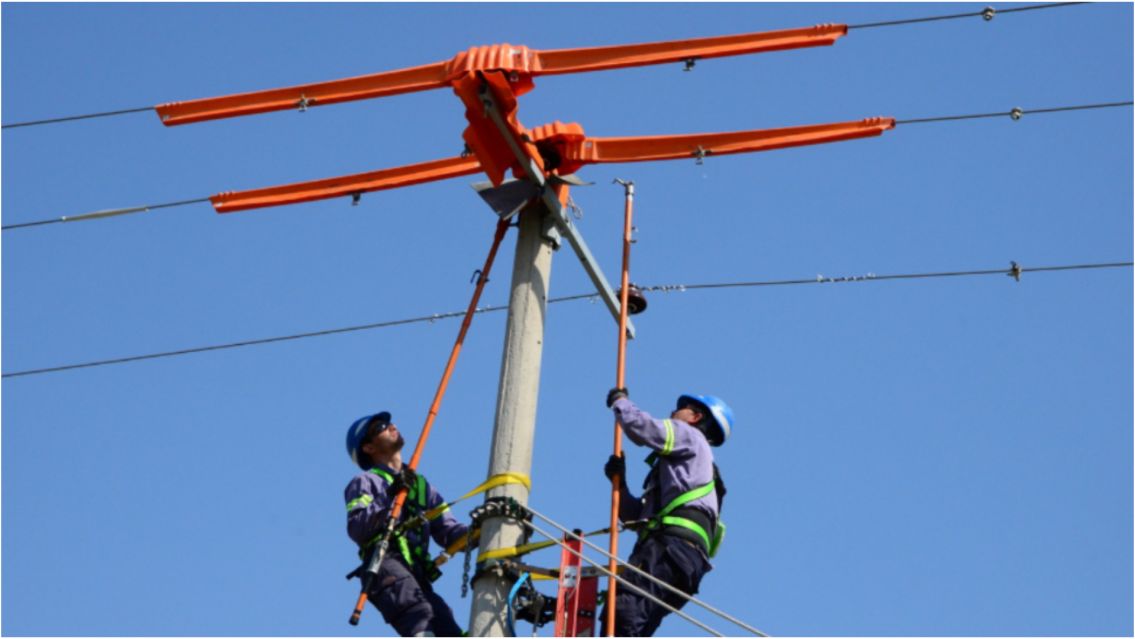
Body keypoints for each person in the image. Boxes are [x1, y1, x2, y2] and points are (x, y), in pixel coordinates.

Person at [601, 388, 734, 637]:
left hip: (668, 549)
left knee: (623, 612)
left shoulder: (690, 437)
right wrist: (620, 483)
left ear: (695, 417)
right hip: (684, 564)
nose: (673, 412)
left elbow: (643, 428)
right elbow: (635, 518)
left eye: (680, 409)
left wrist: (621, 402)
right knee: (631, 623)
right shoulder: (687, 471)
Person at [344, 410, 468, 637]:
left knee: (448, 628)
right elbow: (357, 527)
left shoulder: (421, 486)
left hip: (416, 575)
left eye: (389, 423)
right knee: (419, 616)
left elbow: (447, 530)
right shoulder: (365, 481)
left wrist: (480, 532)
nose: (390, 427)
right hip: (385, 564)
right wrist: (390, 494)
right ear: (368, 448)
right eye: (380, 427)